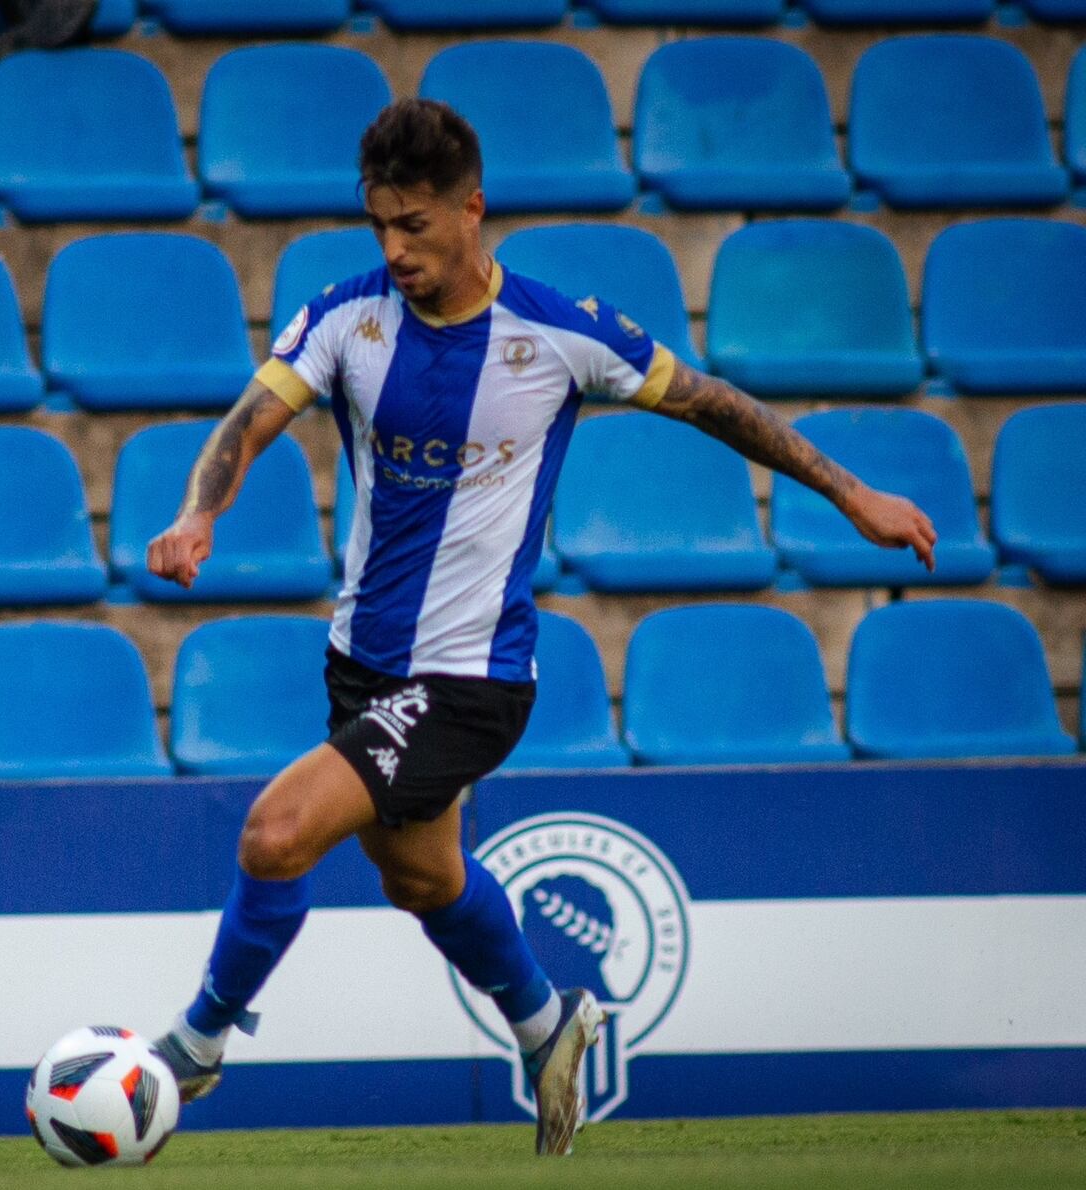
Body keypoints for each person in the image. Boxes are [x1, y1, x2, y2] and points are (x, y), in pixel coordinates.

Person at [144, 98, 938, 1158]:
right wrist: (199, 509)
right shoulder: (345, 318)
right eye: (378, 223)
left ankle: (194, 1045)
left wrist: (850, 495)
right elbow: (247, 423)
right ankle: (544, 1022)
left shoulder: (560, 333)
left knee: (275, 833)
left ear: (471, 211)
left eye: (414, 225)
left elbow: (713, 404)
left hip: (471, 680)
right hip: (361, 665)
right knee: (420, 878)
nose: (394, 248)